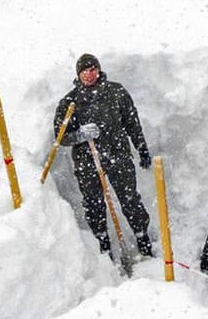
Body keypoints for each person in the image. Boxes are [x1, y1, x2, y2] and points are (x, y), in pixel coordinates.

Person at [53, 54, 155, 257]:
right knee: (94, 203)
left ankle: (143, 240)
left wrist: (141, 148)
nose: (89, 75)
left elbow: (132, 123)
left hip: (118, 155)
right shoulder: (70, 102)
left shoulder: (116, 92)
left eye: (93, 70)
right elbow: (61, 137)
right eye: (84, 71)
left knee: (130, 199)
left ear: (99, 70)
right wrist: (81, 135)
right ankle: (103, 246)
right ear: (78, 74)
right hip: (87, 161)